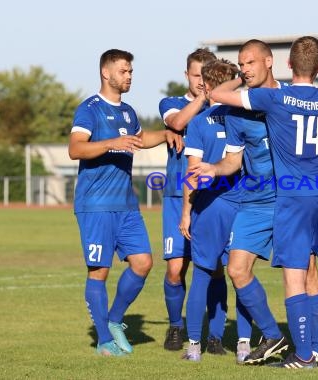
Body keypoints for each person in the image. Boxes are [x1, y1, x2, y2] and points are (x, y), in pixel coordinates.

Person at [191, 39, 318, 368]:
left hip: (290, 199)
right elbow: (233, 161)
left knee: (307, 276)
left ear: (273, 62)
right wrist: (213, 169)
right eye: (240, 64)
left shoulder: (279, 97)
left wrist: (228, 82)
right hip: (259, 201)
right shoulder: (238, 111)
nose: (245, 69)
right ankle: (275, 335)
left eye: (250, 63)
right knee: (236, 268)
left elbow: (213, 94)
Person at [68, 49, 183, 356]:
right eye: (124, 71)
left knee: (144, 262)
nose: (129, 76)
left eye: (131, 71)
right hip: (96, 205)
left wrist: (167, 133)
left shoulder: (129, 111)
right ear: (106, 73)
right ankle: (104, 341)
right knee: (99, 272)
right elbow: (75, 149)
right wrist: (110, 144)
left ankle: (115, 320)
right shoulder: (89, 109)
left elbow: (139, 138)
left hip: (127, 205)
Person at [158, 48, 227, 352]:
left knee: (215, 268)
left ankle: (214, 335)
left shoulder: (225, 108)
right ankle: (176, 327)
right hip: (177, 197)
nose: (201, 81)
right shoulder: (172, 103)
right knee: (176, 269)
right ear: (186, 74)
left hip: (216, 198)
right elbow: (176, 123)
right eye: (197, 75)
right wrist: (204, 96)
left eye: (206, 76)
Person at [178, 58, 241, 362]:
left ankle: (193, 348)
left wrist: (186, 212)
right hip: (242, 205)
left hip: (208, 206)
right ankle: (242, 345)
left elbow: (193, 173)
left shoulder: (199, 122)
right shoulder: (247, 116)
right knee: (241, 275)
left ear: (208, 85)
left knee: (202, 274)